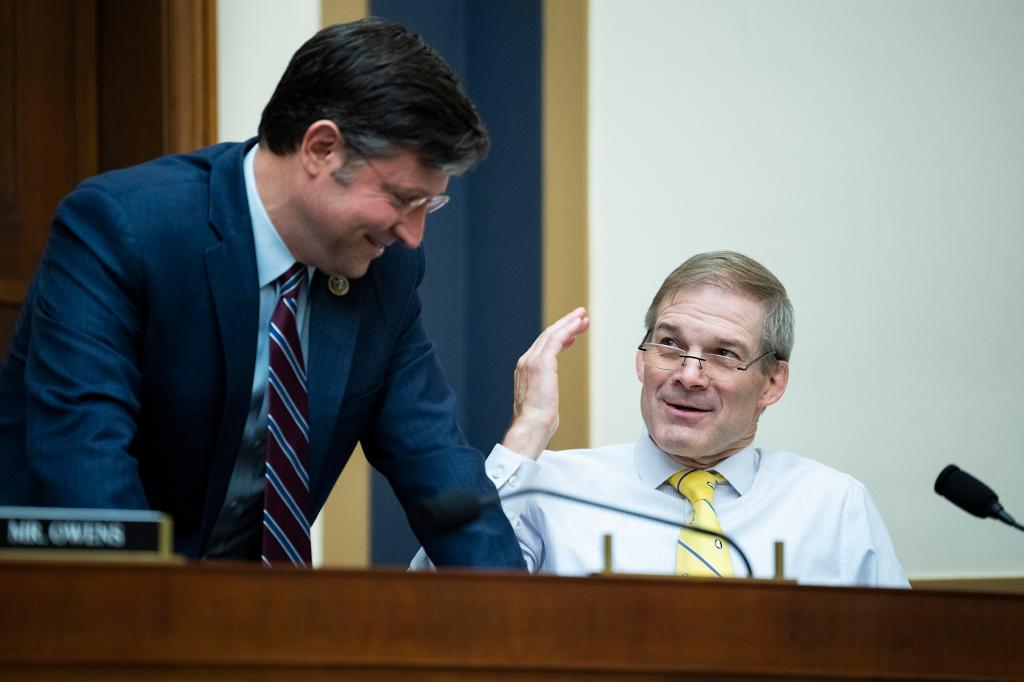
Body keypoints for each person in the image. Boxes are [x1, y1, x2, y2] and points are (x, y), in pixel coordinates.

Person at [0, 18, 525, 569]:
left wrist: (524, 627)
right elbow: (89, 471)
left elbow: (436, 462)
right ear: (321, 148)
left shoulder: (387, 272)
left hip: (251, 619)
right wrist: (164, 637)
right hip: (69, 606)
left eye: (429, 206)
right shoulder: (123, 228)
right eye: (401, 198)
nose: (412, 234)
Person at [413, 251, 907, 586]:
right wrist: (527, 434)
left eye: (723, 354)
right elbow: (436, 607)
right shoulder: (548, 490)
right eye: (670, 344)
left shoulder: (832, 505)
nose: (689, 375)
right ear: (641, 359)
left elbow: (899, 657)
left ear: (773, 383)